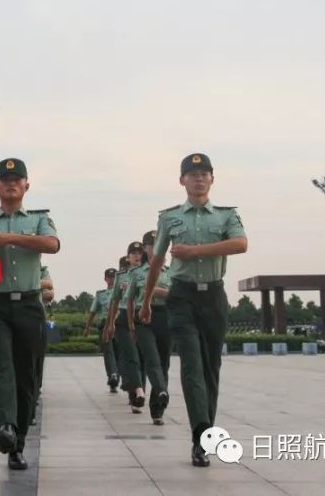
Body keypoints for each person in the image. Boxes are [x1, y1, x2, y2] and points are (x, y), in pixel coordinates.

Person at [138, 152, 247, 467]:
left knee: (211, 368)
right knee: (191, 364)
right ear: (182, 180)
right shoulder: (170, 217)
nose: (198, 178)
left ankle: (205, 431)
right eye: (192, 173)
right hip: (181, 297)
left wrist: (194, 251)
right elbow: (157, 261)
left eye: (204, 173)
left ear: (212, 178)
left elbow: (240, 244)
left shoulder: (226, 216)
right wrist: (146, 301)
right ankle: (201, 435)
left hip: (213, 298)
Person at [0, 157, 59, 471]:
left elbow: (52, 244)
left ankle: (18, 441)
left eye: (16, 179)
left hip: (29, 305)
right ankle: (6, 425)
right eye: (4, 179)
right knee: (0, 364)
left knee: (26, 373)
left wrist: (12, 239)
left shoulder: (38, 218)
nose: (10, 183)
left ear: (26, 185)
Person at [126, 230, 173, 425]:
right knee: (151, 357)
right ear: (145, 248)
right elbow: (129, 300)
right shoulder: (136, 273)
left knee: (163, 362)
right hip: (143, 318)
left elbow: (174, 295)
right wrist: (130, 326)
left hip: (164, 316)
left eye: (160, 243)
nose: (156, 247)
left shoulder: (172, 271)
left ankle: (157, 409)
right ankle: (162, 389)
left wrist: (153, 289)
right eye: (152, 244)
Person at [104, 242, 148, 413]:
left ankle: (138, 395)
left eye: (139, 253)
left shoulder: (149, 273)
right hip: (123, 318)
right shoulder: (122, 276)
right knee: (131, 355)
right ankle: (137, 390)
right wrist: (110, 324)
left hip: (143, 317)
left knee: (143, 358)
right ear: (128, 257)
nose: (137, 256)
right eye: (133, 253)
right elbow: (115, 301)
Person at [83, 265, 120, 393]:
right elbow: (92, 312)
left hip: (120, 324)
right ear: (105, 279)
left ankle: (115, 377)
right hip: (105, 325)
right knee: (108, 351)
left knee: (119, 353)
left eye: (114, 277)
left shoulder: (124, 291)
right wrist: (87, 327)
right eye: (109, 278)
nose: (112, 280)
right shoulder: (100, 295)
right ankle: (113, 376)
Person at [30, 264, 54, 426]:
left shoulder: (42, 269)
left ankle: (33, 393)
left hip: (35, 317)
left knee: (36, 362)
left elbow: (49, 290)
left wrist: (29, 283)